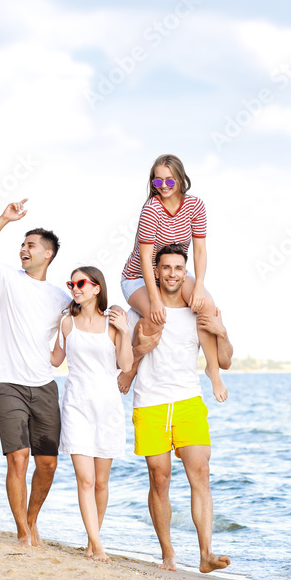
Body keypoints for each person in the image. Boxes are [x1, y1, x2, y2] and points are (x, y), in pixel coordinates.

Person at [118, 243, 233, 574]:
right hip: (150, 403)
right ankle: (168, 553)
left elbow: (224, 360)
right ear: (156, 272)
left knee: (201, 473)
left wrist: (222, 332)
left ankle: (205, 553)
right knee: (159, 478)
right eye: (165, 268)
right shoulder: (137, 313)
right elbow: (124, 361)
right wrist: (138, 353)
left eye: (178, 269)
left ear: (186, 273)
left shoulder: (199, 312)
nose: (171, 274)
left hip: (188, 402)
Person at [0, 199, 71, 547]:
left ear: (48, 254)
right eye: (23, 245)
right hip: (6, 381)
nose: (24, 250)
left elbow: (90, 316)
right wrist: (3, 219)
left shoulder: (60, 297)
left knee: (48, 465)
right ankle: (23, 533)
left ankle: (32, 519)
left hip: (44, 385)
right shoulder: (7, 279)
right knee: (18, 458)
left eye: (31, 245)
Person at [120, 154, 227, 402]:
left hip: (174, 272)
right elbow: (146, 259)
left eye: (169, 180)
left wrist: (198, 286)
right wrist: (155, 300)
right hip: (138, 276)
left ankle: (212, 368)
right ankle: (132, 369)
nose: (164, 186)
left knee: (207, 306)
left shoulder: (195, 206)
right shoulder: (151, 209)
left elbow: (199, 250)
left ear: (180, 178)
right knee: (156, 318)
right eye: (158, 182)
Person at [50, 266, 132, 562]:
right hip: (76, 407)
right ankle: (98, 546)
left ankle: (91, 538)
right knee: (84, 480)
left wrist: (124, 331)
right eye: (71, 283)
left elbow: (125, 363)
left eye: (80, 283)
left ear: (97, 287)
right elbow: (55, 359)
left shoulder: (113, 322)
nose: (75, 287)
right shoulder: (66, 323)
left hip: (107, 408)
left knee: (100, 483)